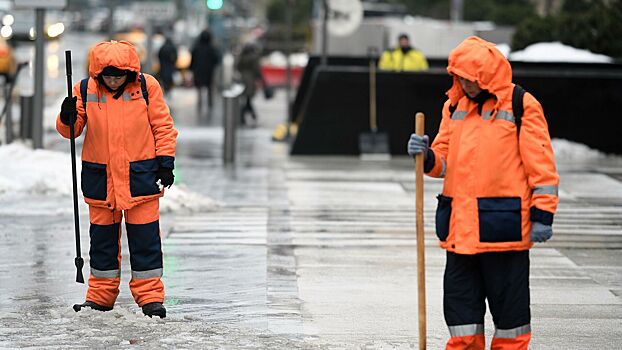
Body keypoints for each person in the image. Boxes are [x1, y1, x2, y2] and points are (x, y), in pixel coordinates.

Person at [407, 36, 559, 349]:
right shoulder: (454, 106)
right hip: (460, 234)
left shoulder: (521, 105)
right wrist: (427, 157)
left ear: (487, 76)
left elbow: (541, 166)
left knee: (510, 327)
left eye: (471, 79)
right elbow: (444, 160)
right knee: (462, 326)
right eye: (460, 78)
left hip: (503, 235)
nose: (466, 84)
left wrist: (543, 213)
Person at [57, 40, 178, 319]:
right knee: (102, 243)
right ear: (98, 73)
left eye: (119, 75)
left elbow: (163, 126)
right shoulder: (85, 89)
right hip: (102, 180)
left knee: (145, 242)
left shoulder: (147, 87)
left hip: (141, 178)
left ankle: (150, 298)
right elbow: (72, 130)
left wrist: (166, 163)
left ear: (130, 73)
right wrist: (66, 117)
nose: (113, 81)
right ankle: (100, 297)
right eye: (108, 76)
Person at [190, 29, 221, 117]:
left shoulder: (196, 47)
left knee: (199, 88)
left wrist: (191, 69)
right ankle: (210, 103)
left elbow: (192, 60)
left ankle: (199, 104)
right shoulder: (212, 48)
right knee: (209, 87)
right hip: (209, 71)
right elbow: (216, 59)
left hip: (198, 71)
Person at [236, 43, 264, 126]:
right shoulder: (254, 58)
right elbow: (257, 70)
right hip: (251, 80)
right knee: (248, 99)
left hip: (243, 79)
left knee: (246, 99)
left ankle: (244, 116)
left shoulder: (241, 58)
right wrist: (260, 78)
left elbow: (237, 67)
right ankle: (250, 115)